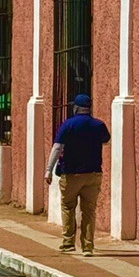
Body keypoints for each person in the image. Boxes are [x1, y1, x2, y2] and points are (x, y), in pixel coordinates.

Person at [45, 94, 111, 256]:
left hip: (71, 173)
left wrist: (49, 170)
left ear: (75, 108)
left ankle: (68, 242)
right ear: (89, 108)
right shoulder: (98, 125)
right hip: (93, 173)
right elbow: (107, 141)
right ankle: (87, 246)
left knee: (68, 206)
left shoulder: (68, 125)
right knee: (89, 210)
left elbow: (57, 148)